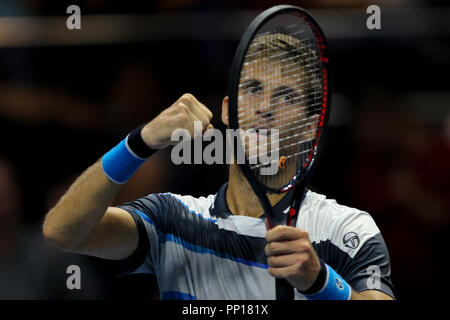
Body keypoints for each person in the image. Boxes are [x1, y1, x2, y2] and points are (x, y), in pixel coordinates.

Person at [43, 36, 395, 300]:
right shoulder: (172, 219)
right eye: (253, 90)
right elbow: (63, 230)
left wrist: (321, 283)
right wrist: (138, 143)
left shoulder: (347, 228)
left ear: (309, 128)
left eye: (285, 96)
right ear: (228, 111)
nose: (265, 107)